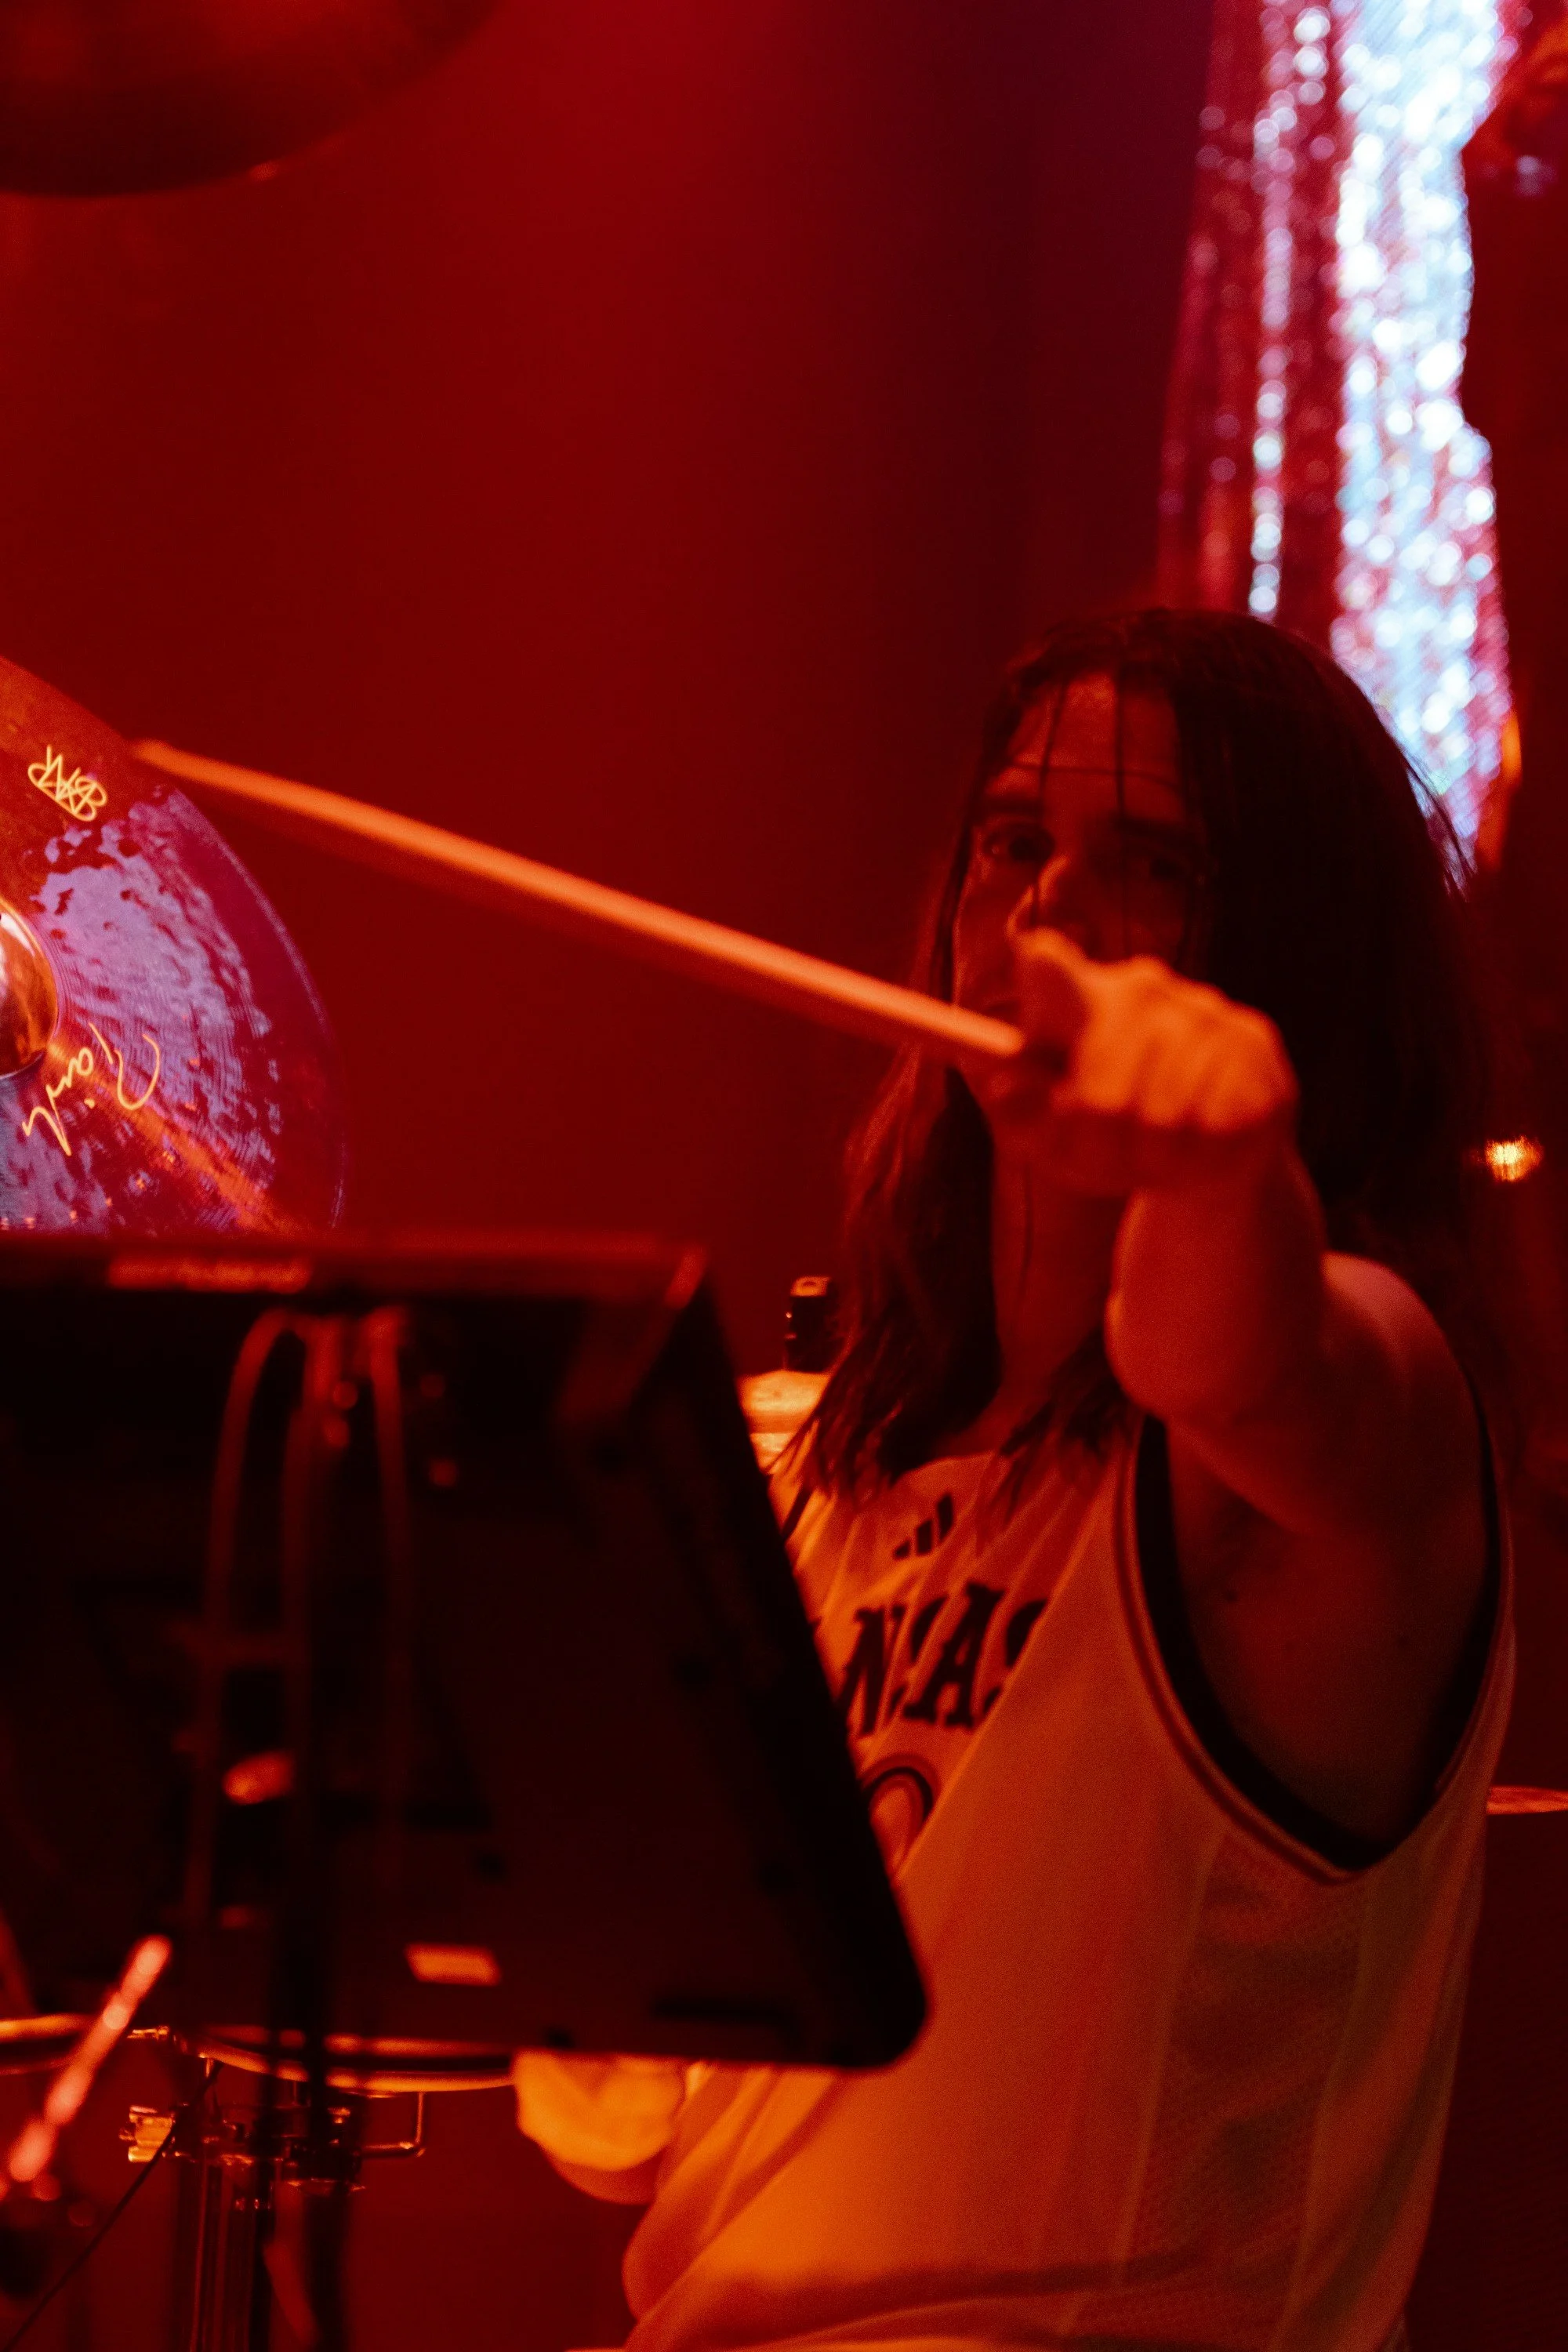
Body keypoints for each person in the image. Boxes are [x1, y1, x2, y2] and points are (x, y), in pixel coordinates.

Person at [516, 611, 1512, 2352]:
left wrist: (1223, 1166)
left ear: (1297, 952)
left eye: (1154, 866)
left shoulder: (1367, 1391)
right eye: (1013, 845)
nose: (1048, 914)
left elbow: (1252, 1359)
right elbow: (624, 2136)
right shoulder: (833, 1464)